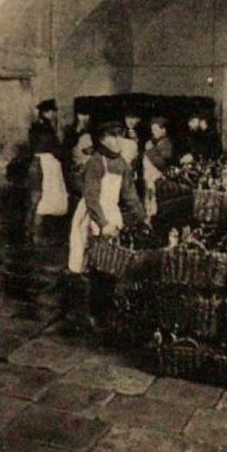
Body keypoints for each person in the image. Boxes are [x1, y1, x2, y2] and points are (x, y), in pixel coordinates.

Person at [66, 118, 146, 331]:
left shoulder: (122, 164)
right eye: (113, 137)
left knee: (110, 262)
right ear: (102, 140)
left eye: (120, 136)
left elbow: (129, 195)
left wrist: (142, 217)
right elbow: (91, 197)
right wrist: (101, 223)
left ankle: (103, 309)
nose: (118, 141)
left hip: (111, 213)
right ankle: (87, 310)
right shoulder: (96, 162)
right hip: (93, 214)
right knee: (89, 260)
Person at [24, 98, 67, 244]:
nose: (53, 115)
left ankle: (29, 232)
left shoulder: (35, 127)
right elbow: (54, 148)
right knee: (42, 201)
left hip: (35, 163)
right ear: (46, 112)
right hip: (44, 165)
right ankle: (37, 236)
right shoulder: (46, 129)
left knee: (34, 200)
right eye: (52, 112)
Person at [142, 116, 173, 218]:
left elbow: (162, 162)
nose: (153, 132)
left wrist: (149, 151)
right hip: (149, 176)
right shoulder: (153, 143)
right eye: (152, 130)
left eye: (156, 129)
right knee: (148, 195)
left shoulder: (166, 144)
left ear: (163, 130)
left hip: (157, 176)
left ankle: (154, 216)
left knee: (155, 197)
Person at [62, 109, 91, 198]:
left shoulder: (90, 134)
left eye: (86, 117)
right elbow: (67, 149)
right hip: (76, 169)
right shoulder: (71, 133)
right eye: (82, 116)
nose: (85, 119)